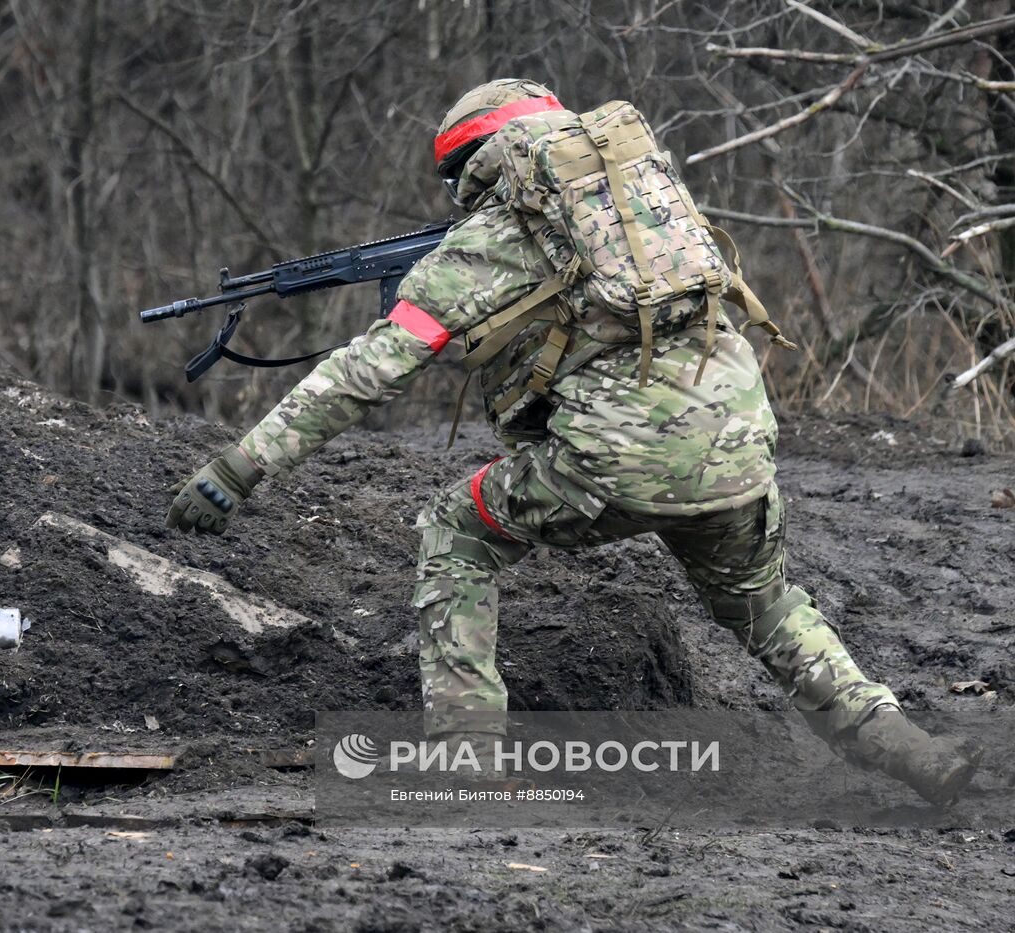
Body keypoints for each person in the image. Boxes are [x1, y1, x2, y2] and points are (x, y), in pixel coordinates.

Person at [165, 79, 975, 804]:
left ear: (473, 166)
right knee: (769, 607)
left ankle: (466, 762)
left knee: (455, 530)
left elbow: (365, 372)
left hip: (613, 462)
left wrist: (239, 468)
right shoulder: (648, 209)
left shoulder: (492, 242)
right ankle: (907, 749)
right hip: (740, 448)